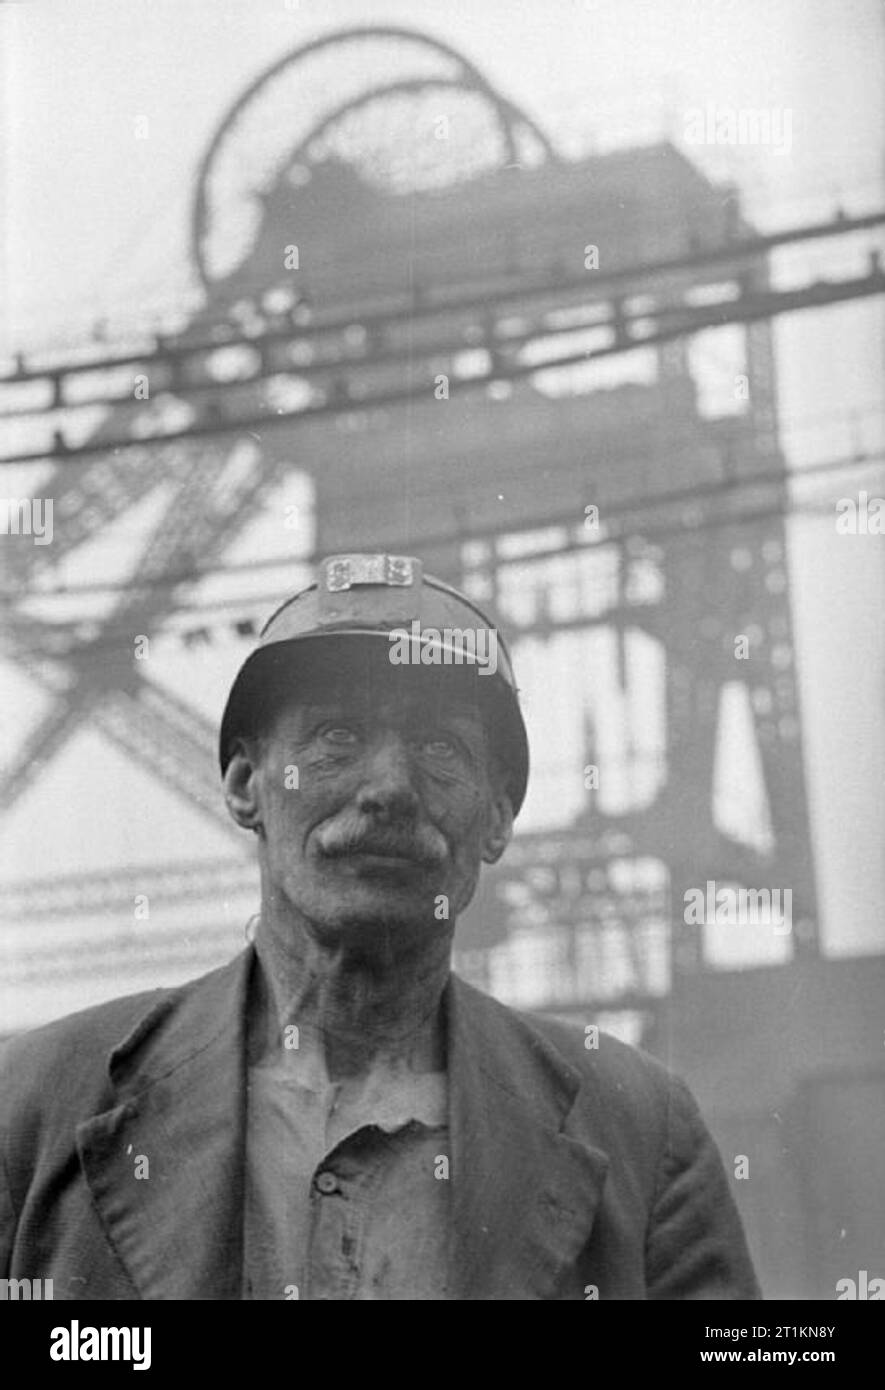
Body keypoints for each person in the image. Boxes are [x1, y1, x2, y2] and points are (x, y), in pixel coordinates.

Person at [0, 553, 760, 1300]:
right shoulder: (32, 1108)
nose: (389, 789)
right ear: (244, 785)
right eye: (336, 736)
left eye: (439, 747)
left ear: (497, 818)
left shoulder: (639, 1129)